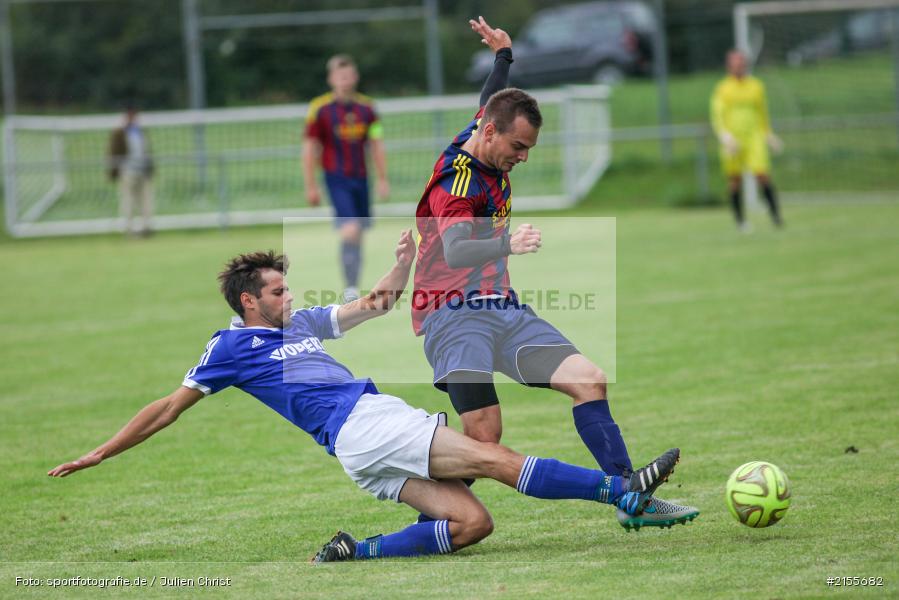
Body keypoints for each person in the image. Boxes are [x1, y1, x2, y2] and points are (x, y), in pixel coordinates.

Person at [47, 232, 683, 562]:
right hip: (364, 424)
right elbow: (167, 407)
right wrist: (102, 452)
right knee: (495, 458)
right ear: (248, 301)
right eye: (277, 291)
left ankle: (356, 551)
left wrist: (403, 262)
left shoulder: (300, 324)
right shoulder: (229, 349)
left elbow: (375, 304)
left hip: (358, 445)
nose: (290, 296)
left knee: (472, 525)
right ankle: (622, 492)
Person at [412, 16, 699, 531]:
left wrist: (504, 55)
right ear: (491, 133)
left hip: (503, 310)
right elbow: (455, 250)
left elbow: (492, 96)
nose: (523, 158)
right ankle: (424, 518)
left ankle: (629, 496)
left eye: (529, 149)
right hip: (451, 317)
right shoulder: (456, 185)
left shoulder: (482, 129)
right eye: (518, 148)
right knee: (484, 439)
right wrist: (508, 243)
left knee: (589, 380)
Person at [303, 54, 390, 302]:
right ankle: (350, 289)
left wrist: (382, 178)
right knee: (350, 230)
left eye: (349, 75)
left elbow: (376, 143)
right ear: (331, 79)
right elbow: (310, 148)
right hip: (336, 178)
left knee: (358, 232)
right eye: (340, 76)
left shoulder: (368, 108)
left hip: (361, 179)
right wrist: (311, 186)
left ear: (356, 77)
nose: (345, 80)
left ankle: (353, 283)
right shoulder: (319, 109)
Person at [711, 49, 784, 232]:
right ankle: (740, 221)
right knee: (734, 180)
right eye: (734, 64)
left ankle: (776, 217)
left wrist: (768, 134)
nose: (738, 67)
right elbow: (717, 114)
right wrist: (725, 136)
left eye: (741, 64)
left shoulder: (756, 86)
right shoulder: (723, 88)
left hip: (754, 137)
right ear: (729, 66)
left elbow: (762, 112)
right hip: (733, 140)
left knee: (762, 175)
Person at [108, 105, 155, 236]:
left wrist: (150, 168)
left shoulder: (141, 131)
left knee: (146, 200)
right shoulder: (119, 133)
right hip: (127, 171)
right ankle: (128, 228)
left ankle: (146, 227)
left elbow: (147, 151)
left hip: (142, 170)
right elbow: (113, 152)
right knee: (128, 200)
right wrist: (114, 171)